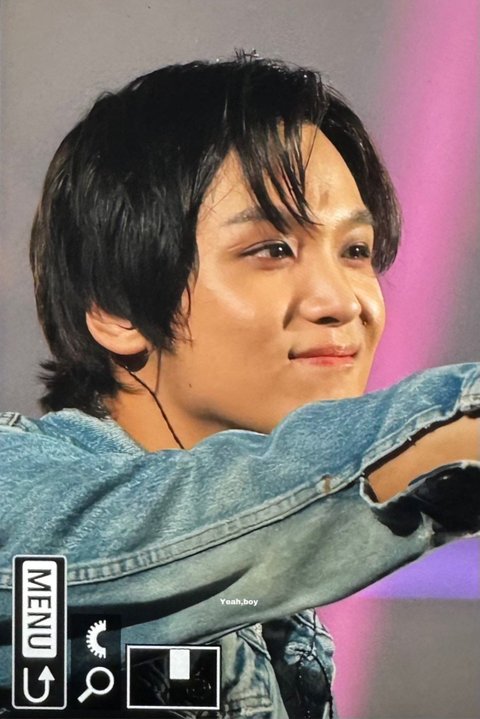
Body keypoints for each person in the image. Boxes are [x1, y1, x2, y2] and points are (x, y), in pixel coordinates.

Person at [0, 54, 479, 718]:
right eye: (272, 250)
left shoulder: (270, 611)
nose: (343, 301)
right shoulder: (20, 500)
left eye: (356, 251)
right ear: (116, 308)